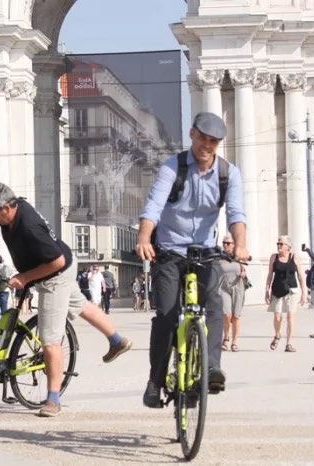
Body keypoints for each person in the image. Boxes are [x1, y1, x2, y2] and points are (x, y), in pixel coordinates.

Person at [0, 181, 131, 417]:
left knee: (49, 339)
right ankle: (117, 340)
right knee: (80, 305)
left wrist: (25, 277)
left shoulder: (29, 226)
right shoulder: (3, 212)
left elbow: (55, 262)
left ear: (7, 207)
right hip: (61, 263)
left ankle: (53, 399)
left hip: (54, 275)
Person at [136, 112, 248, 409]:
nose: (207, 146)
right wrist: (144, 238)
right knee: (167, 316)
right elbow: (154, 205)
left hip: (205, 251)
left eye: (213, 141)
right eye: (202, 138)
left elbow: (236, 213)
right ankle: (155, 381)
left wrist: (241, 245)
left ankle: (211, 368)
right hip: (170, 250)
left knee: (213, 304)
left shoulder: (228, 173)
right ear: (192, 134)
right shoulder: (173, 167)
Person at [264, 235, 307, 352]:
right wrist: (266, 291)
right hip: (277, 290)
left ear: (288, 246)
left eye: (281, 244)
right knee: (277, 317)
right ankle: (277, 335)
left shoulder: (294, 257)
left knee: (290, 316)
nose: (278, 246)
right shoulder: (274, 257)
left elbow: (301, 276)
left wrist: (304, 293)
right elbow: (269, 275)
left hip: (291, 290)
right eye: (277, 243)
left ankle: (289, 343)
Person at [219, 233, 246, 352]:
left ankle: (235, 341)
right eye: (224, 243)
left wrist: (244, 274)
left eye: (228, 243)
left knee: (235, 317)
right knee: (226, 314)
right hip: (224, 288)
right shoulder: (219, 258)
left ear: (233, 245)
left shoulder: (238, 257)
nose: (225, 245)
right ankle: (225, 338)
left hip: (237, 288)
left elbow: (244, 271)